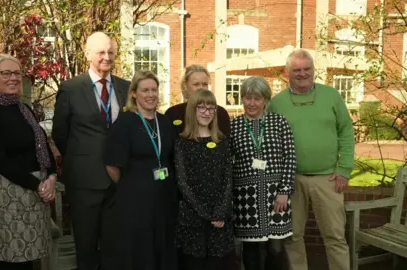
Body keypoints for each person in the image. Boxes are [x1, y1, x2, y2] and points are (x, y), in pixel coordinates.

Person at [269, 49, 354, 270]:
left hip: (328, 178)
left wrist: (344, 169)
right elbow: (268, 140)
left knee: (335, 236)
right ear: (287, 72)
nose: (302, 73)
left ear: (313, 70)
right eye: (296, 70)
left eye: (307, 69)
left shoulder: (331, 96)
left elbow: (346, 131)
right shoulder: (277, 103)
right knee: (293, 236)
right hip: (291, 181)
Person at [51, 32, 130, 270]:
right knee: (85, 248)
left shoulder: (126, 87)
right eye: (101, 52)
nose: (106, 57)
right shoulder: (71, 88)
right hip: (84, 182)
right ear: (87, 54)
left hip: (118, 181)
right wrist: (82, 157)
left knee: (114, 247)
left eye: (110, 52)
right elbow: (60, 133)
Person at [0, 54, 57, 270]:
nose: (13, 78)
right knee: (13, 260)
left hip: (37, 191)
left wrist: (51, 176)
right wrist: (38, 185)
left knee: (31, 258)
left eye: (16, 73)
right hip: (11, 193)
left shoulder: (25, 109)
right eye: (6, 73)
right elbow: (0, 161)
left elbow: (42, 146)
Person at [104, 71, 177, 270]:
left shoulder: (165, 122)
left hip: (163, 202)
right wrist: (133, 185)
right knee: (141, 254)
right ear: (134, 93)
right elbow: (111, 165)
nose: (151, 94)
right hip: (135, 205)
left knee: (162, 250)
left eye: (154, 89)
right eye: (145, 90)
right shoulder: (125, 123)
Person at [230, 76, 296, 270]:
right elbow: (227, 162)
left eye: (257, 98)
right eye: (247, 98)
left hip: (276, 197)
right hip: (246, 199)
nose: (252, 103)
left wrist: (284, 191)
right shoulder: (234, 126)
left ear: (266, 100)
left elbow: (290, 157)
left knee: (276, 249)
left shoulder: (279, 122)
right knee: (249, 251)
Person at [174, 89, 235, 270]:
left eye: (211, 108)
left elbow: (227, 180)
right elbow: (182, 181)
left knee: (215, 264)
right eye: (201, 107)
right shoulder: (182, 143)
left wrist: (220, 212)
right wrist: (204, 213)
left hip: (219, 219)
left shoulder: (222, 141)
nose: (206, 112)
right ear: (192, 110)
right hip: (193, 218)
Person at [165, 65, 231, 136]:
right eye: (196, 84)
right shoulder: (173, 114)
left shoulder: (220, 113)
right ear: (185, 85)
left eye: (205, 84)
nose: (201, 88)